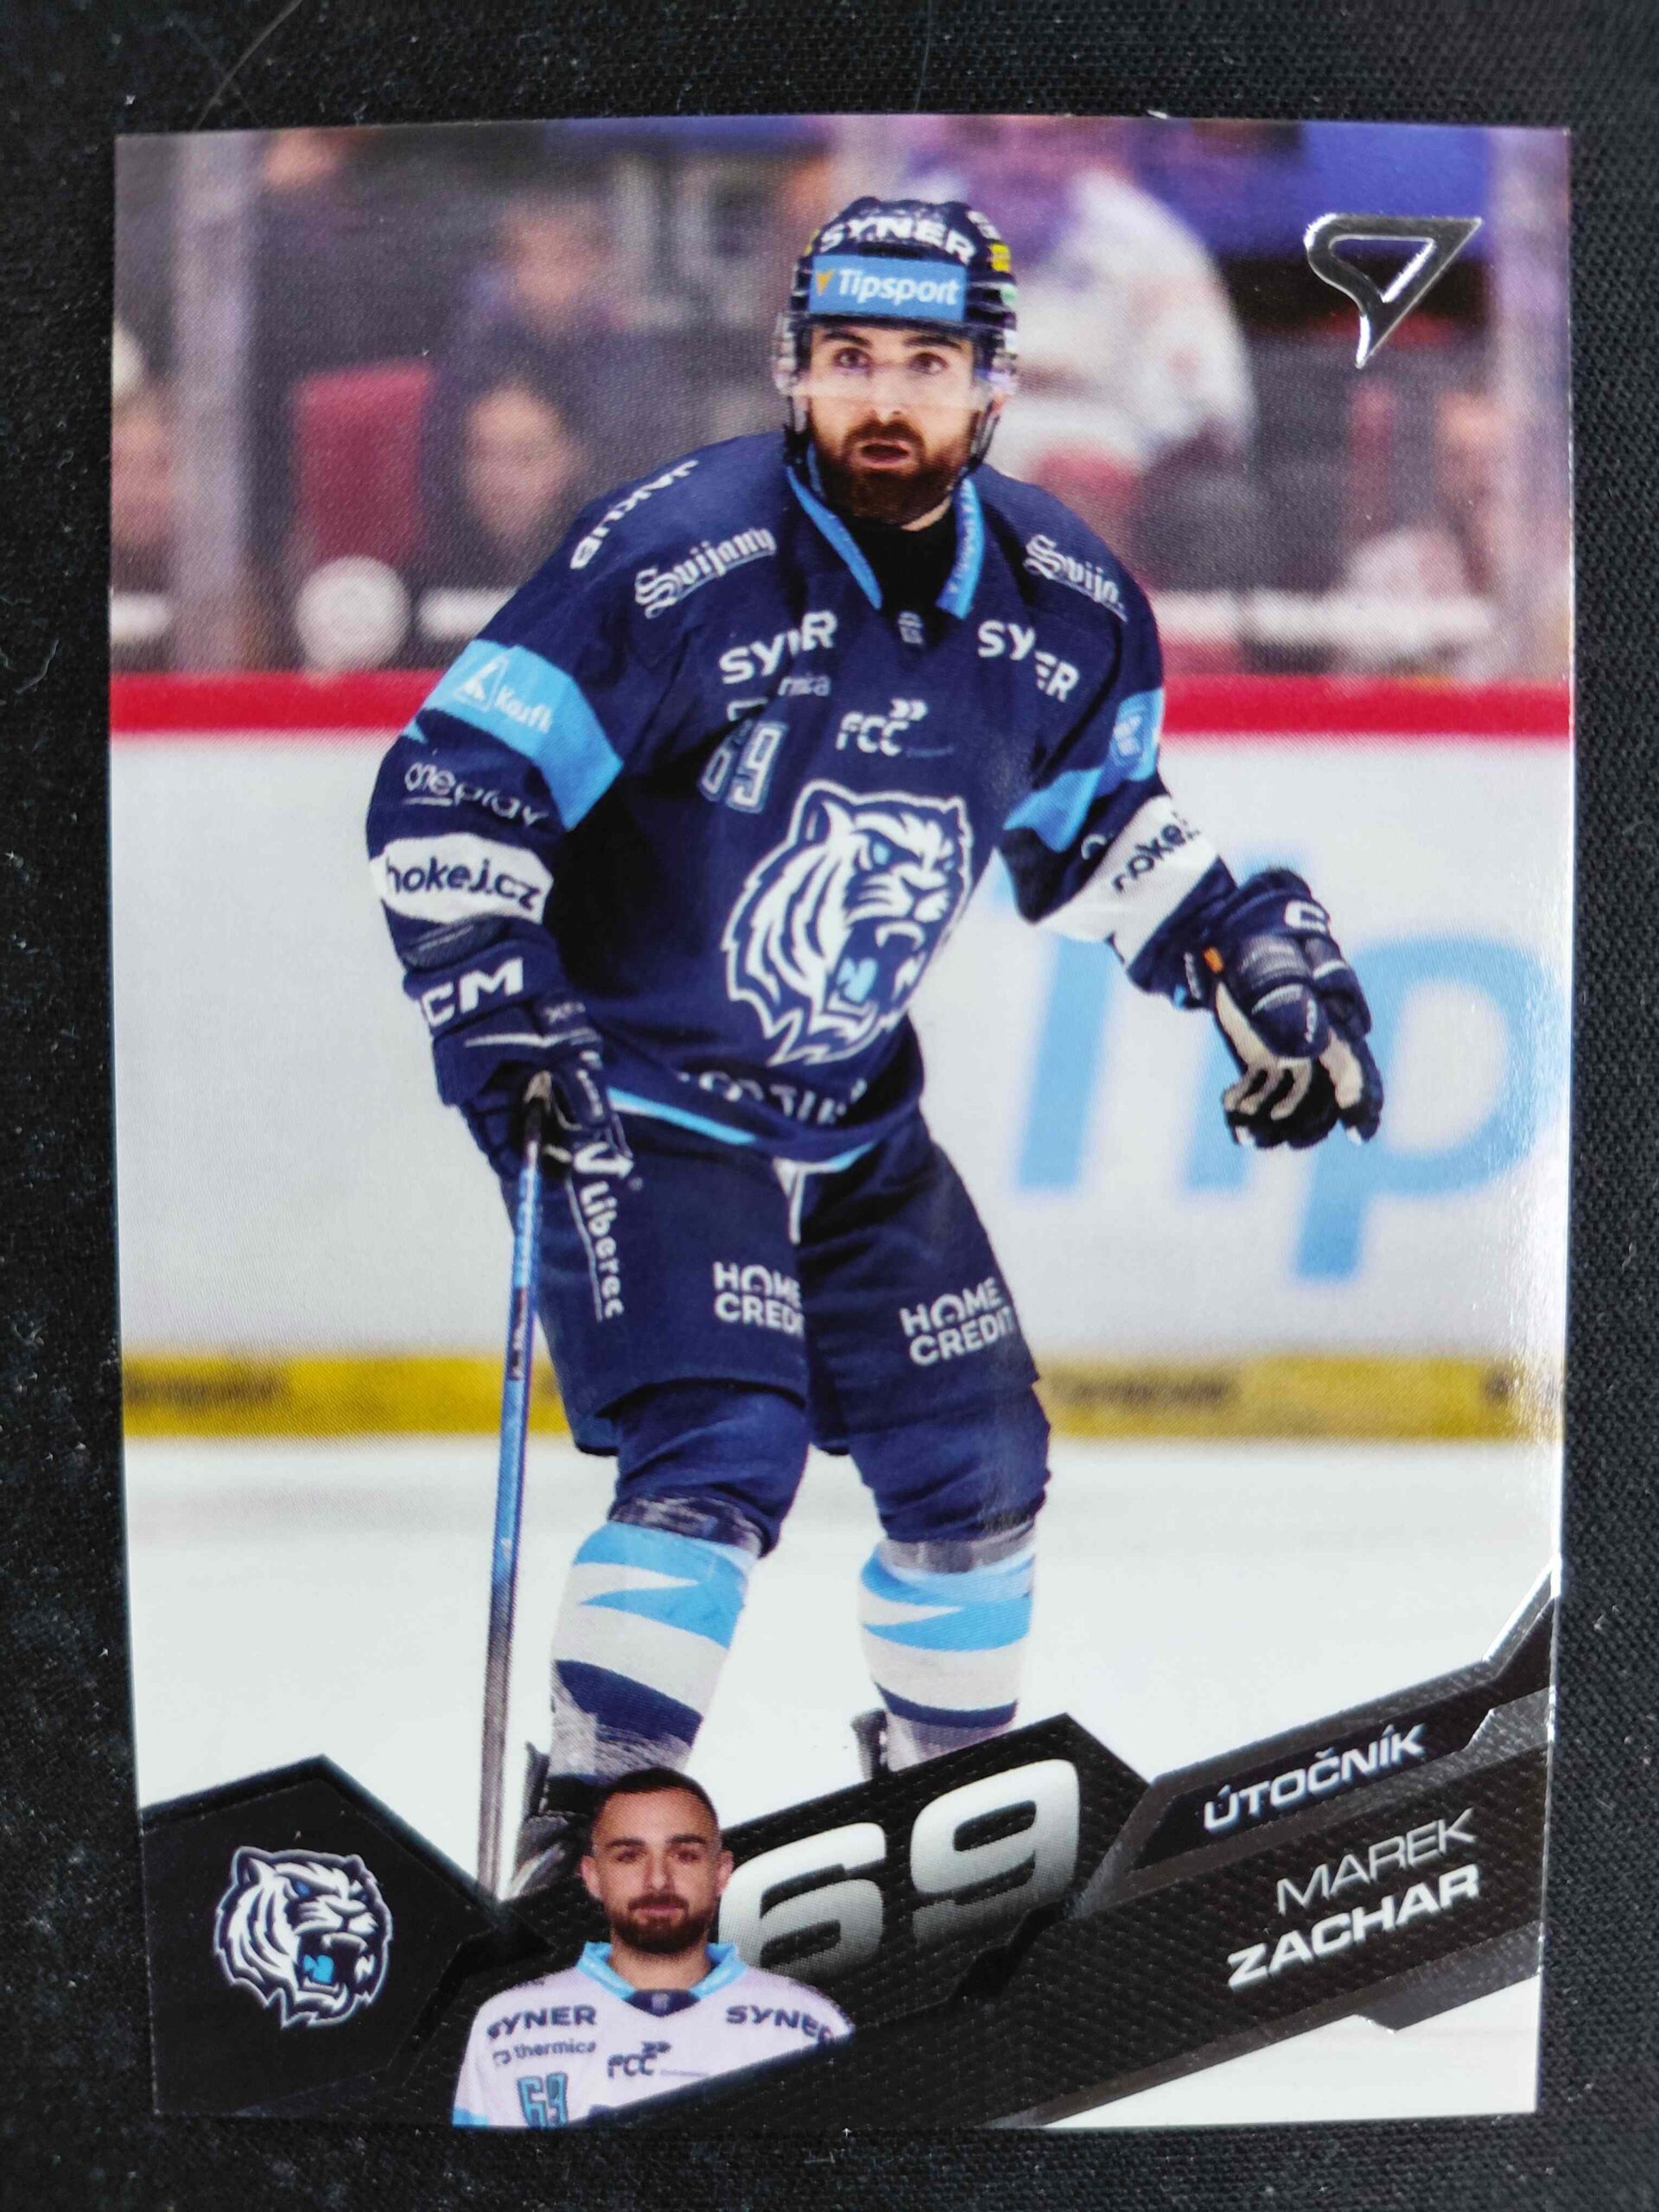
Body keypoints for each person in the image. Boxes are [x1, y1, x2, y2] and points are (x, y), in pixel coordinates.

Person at [365, 196, 1384, 1896]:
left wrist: (1245, 948)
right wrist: (491, 995)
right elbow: (453, 782)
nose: (884, 397)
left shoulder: (1065, 601)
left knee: (980, 1464)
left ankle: (949, 1831)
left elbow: (1100, 831)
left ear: (994, 384)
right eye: (849, 358)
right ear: (794, 369)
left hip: (854, 1122)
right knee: (721, 1445)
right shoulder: (676, 557)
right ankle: (582, 1846)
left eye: (925, 361)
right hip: (633, 1096)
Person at [452, 1769, 850, 2126]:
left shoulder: (809, 2026)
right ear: (592, 1876)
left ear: (720, 1872)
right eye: (629, 1856)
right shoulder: (509, 2028)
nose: (658, 1880)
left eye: (685, 1855)